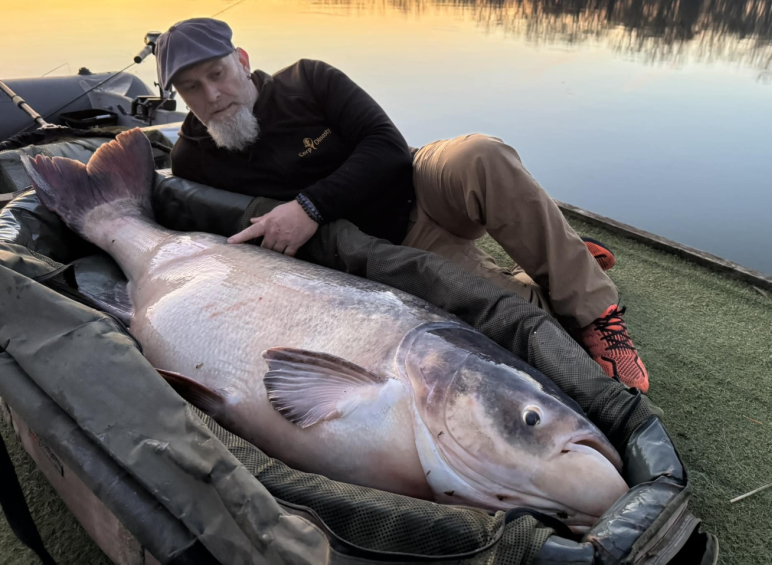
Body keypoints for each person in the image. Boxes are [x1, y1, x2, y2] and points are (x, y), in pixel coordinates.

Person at [154, 18, 650, 392]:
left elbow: (386, 145)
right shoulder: (192, 160)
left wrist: (309, 206)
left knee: (481, 154)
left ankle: (594, 313)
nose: (212, 95)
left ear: (240, 59)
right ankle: (555, 263)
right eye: (190, 86)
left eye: (216, 73)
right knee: (516, 319)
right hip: (397, 249)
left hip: (420, 183)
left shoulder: (309, 79)